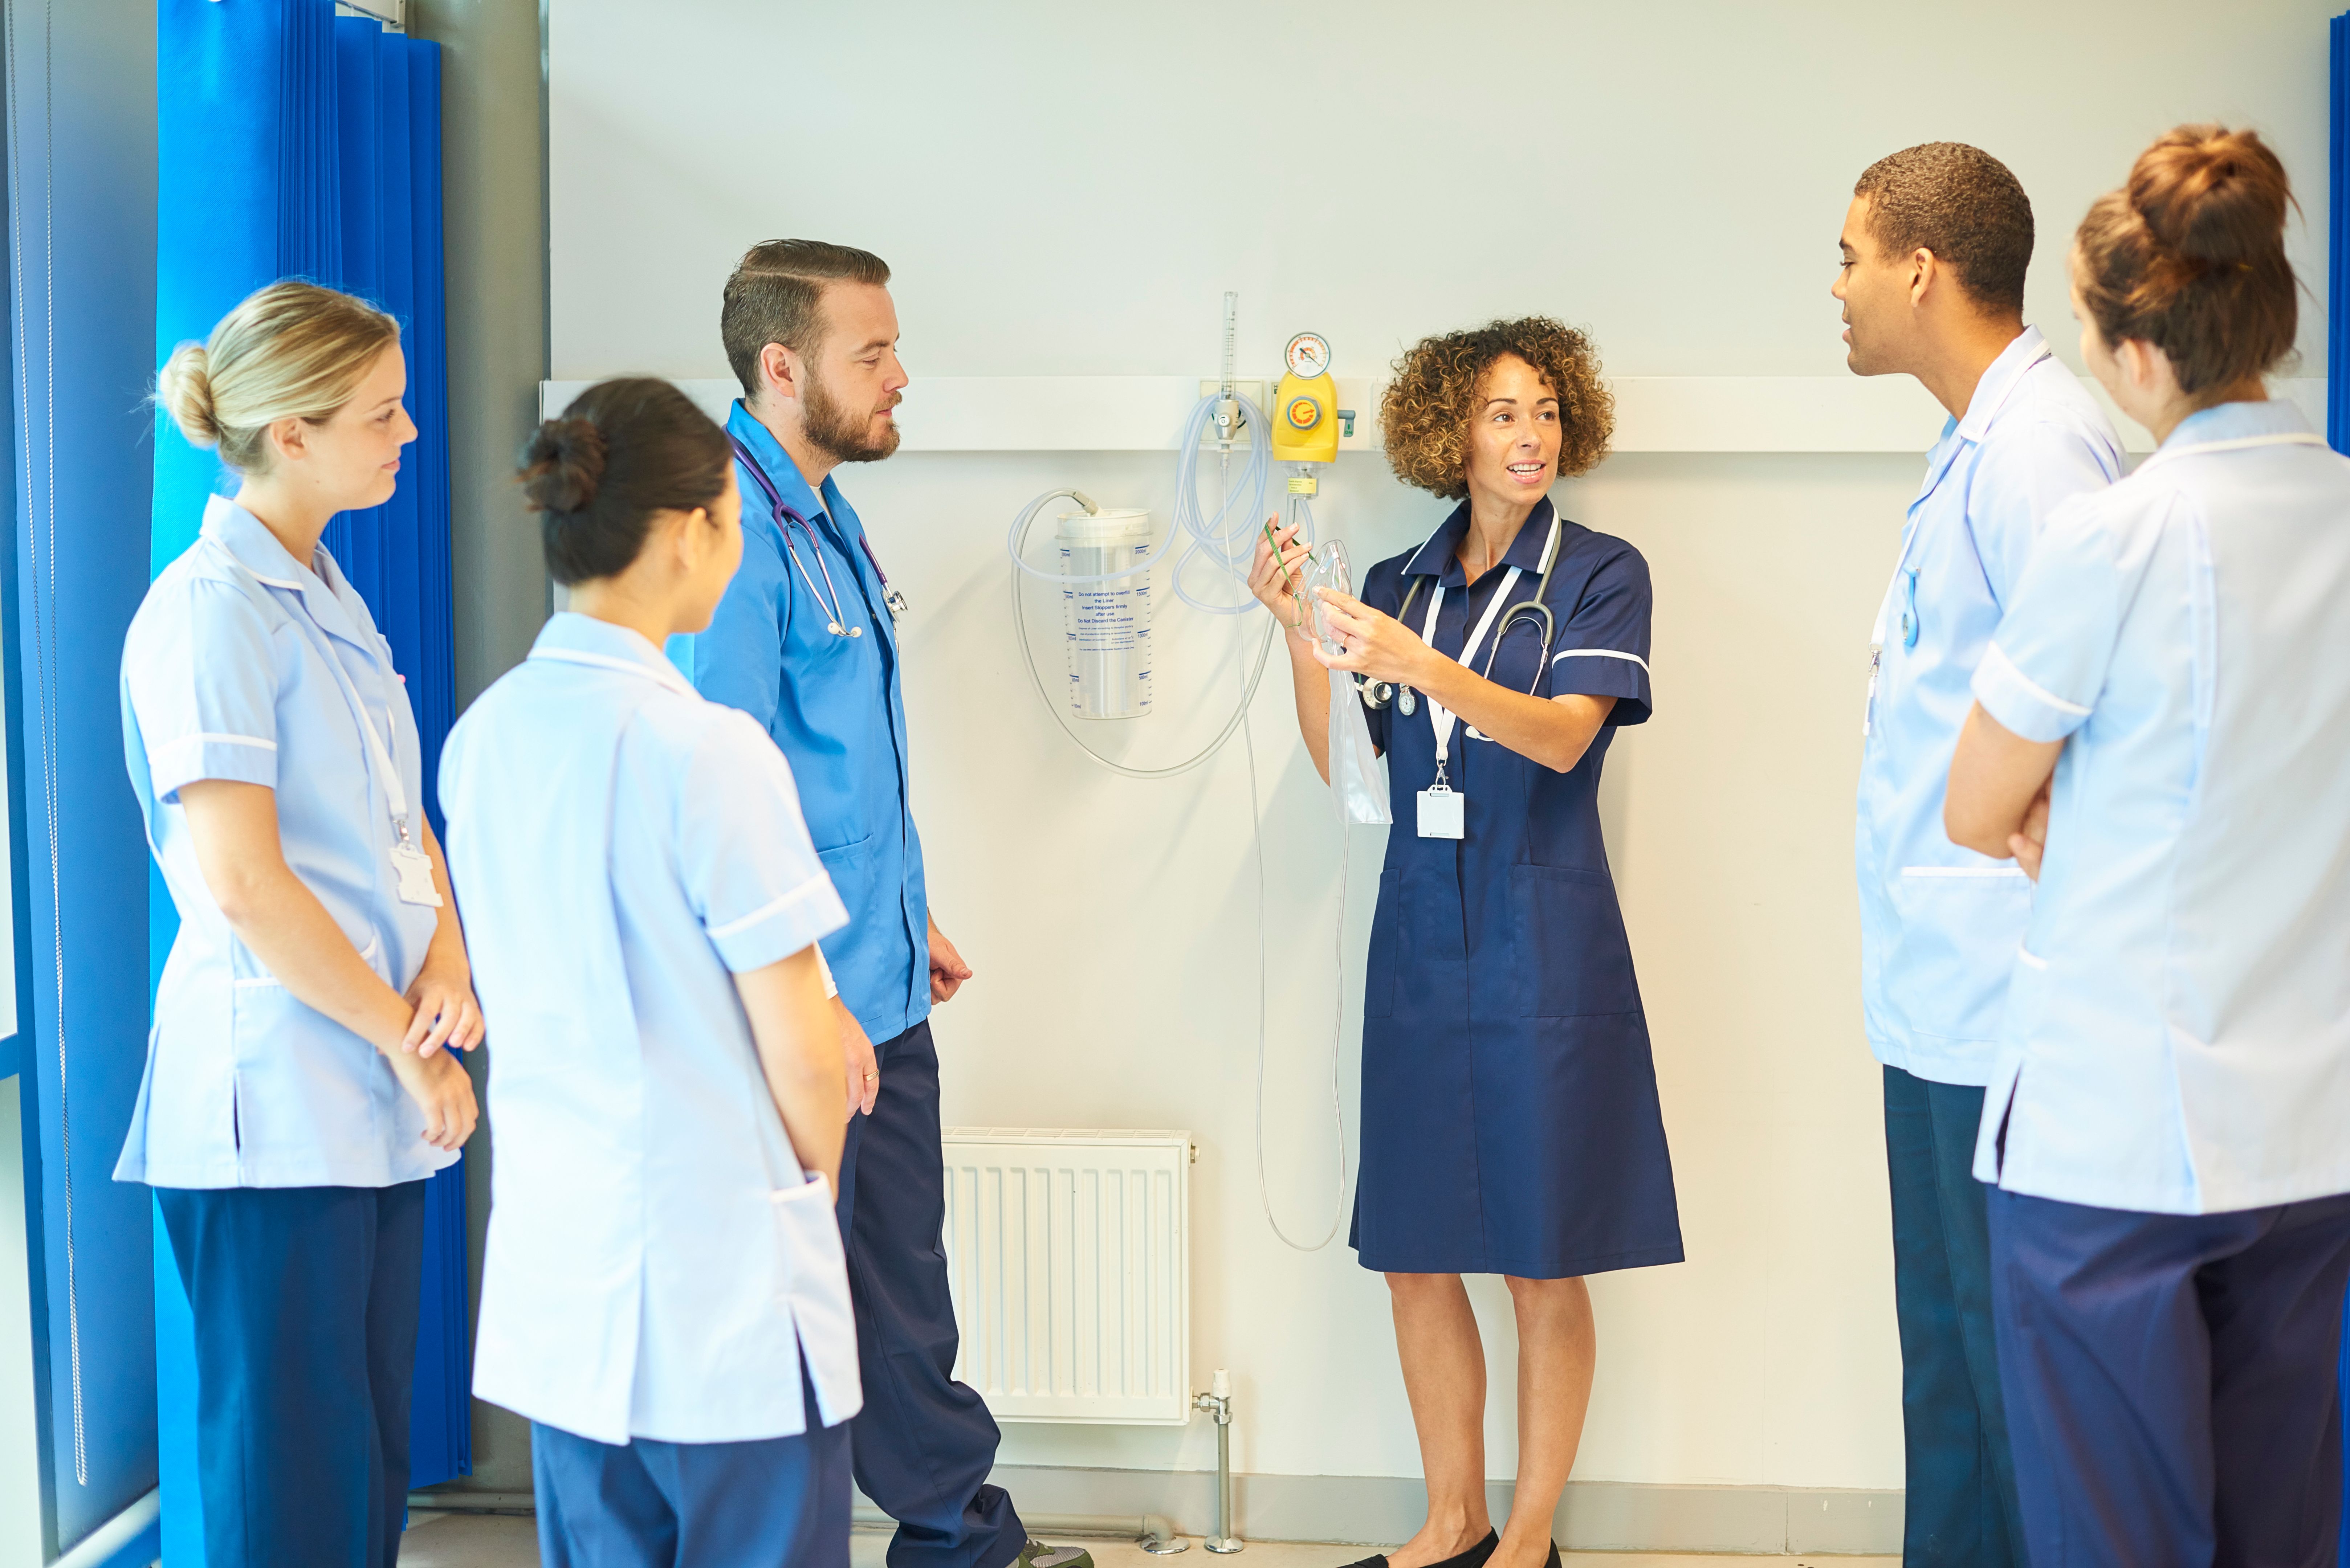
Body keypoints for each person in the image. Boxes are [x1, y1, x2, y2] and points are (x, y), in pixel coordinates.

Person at [1945, 124, 2350, 1568]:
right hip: (2307, 1138)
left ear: (2132, 358)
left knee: (2117, 1543)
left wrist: (2077, 801)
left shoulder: (2116, 537)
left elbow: (1973, 805)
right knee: (2276, 1534)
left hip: (2110, 1155)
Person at [677, 239, 1082, 1568]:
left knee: (903, 1283)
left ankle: (952, 1532)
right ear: (782, 368)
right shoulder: (731, 530)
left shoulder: (820, 506)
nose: (901, 375)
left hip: (877, 977)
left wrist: (906, 922)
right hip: (799, 1006)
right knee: (791, 1303)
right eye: (874, 354)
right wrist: (804, 984)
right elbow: (722, 786)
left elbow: (835, 765)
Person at [1251, 319, 1681, 1568]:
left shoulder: (1601, 572)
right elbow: (1353, 774)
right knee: (1417, 1249)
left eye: (1545, 409)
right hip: (1420, 942)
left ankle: (1528, 1538)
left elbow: (1559, 738)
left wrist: (1421, 667)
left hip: (1544, 939)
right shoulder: (1395, 583)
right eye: (1501, 413)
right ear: (1453, 433)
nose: (1530, 433)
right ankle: (1451, 1522)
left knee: (1544, 1260)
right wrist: (1299, 632)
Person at [440, 377, 859, 1568]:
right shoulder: (707, 749)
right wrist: (812, 1187)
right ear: (693, 533)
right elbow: (800, 1041)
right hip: (720, 1282)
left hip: (567, 1284)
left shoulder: (486, 737)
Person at [116, 280, 483, 1568]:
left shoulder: (325, 594)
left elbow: (396, 820)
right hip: (271, 1111)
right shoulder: (211, 610)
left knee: (362, 1465)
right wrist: (404, 1041)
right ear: (290, 435)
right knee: (289, 1485)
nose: (409, 434)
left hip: (361, 1096)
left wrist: (444, 951)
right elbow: (244, 883)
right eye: (382, 413)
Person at [1833, 141, 2123, 1567]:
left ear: (1918, 269)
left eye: (1845, 256)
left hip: (2005, 1009)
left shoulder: (2038, 448)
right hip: (1935, 999)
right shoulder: (1973, 443)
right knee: (1945, 1370)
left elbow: (2105, 707)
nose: (1832, 286)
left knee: (2009, 1388)